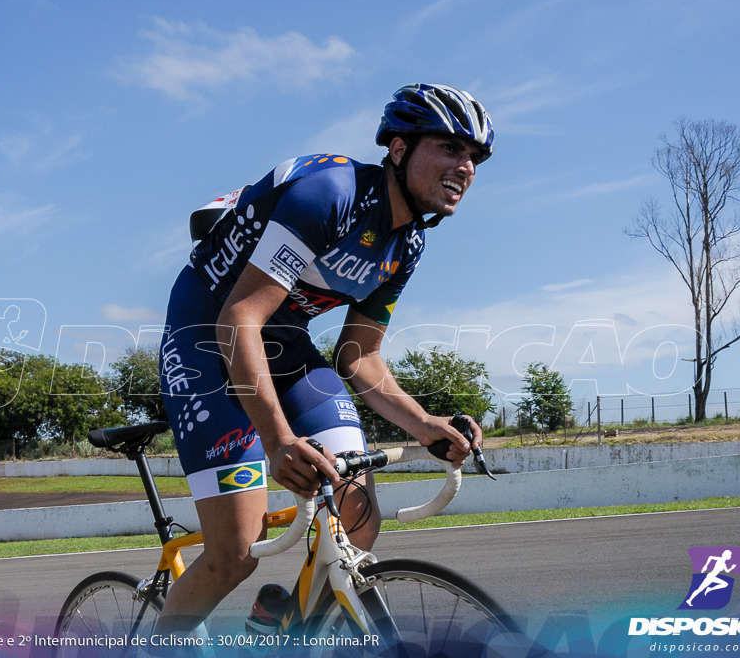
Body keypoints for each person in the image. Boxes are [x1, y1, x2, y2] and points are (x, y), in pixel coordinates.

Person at [156, 83, 495, 635]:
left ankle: (284, 630)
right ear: (400, 149)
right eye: (450, 149)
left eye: (474, 158)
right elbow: (238, 317)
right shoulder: (329, 193)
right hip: (206, 339)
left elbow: (359, 357)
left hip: (283, 343)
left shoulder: (405, 246)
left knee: (358, 516)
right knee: (235, 553)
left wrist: (426, 425)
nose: (465, 167)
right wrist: (277, 440)